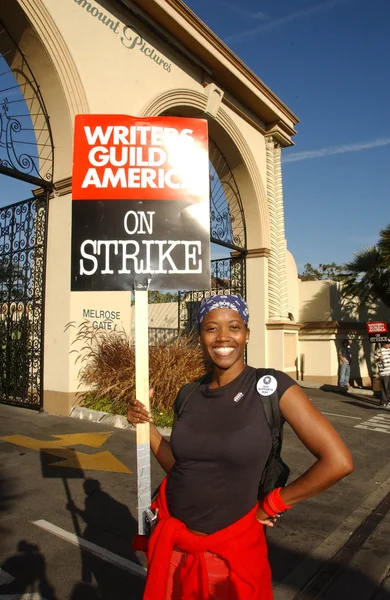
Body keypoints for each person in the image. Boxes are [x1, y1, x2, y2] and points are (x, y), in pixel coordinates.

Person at [128, 294, 354, 600]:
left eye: (233, 327)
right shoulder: (188, 394)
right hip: (173, 551)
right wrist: (146, 426)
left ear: (246, 334)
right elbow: (183, 466)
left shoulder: (272, 387)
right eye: (211, 328)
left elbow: (338, 461)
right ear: (200, 337)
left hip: (232, 558)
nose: (223, 337)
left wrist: (272, 503)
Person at [374, 341, 390, 408]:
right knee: (385, 387)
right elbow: (375, 360)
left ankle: (386, 400)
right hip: (384, 372)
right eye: (388, 344)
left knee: (388, 388)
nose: (389, 345)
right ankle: (385, 401)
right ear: (384, 344)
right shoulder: (379, 351)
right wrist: (379, 359)